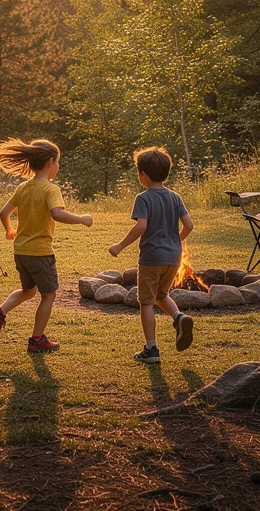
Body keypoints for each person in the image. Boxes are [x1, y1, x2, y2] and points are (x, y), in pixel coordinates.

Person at [0, 138, 93, 353]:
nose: (58, 167)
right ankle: (37, 340)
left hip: (21, 252)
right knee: (48, 295)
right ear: (50, 162)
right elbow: (57, 214)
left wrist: (9, 229)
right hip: (40, 253)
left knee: (28, 290)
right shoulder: (50, 189)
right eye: (58, 162)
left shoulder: (23, 187)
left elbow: (4, 213)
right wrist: (82, 218)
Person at [109, 146, 195, 364]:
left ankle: (151, 349)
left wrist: (120, 245)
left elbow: (141, 227)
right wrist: (177, 239)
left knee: (146, 302)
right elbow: (189, 225)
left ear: (143, 175)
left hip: (151, 259)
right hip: (173, 258)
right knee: (161, 295)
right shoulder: (175, 197)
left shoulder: (144, 198)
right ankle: (179, 317)